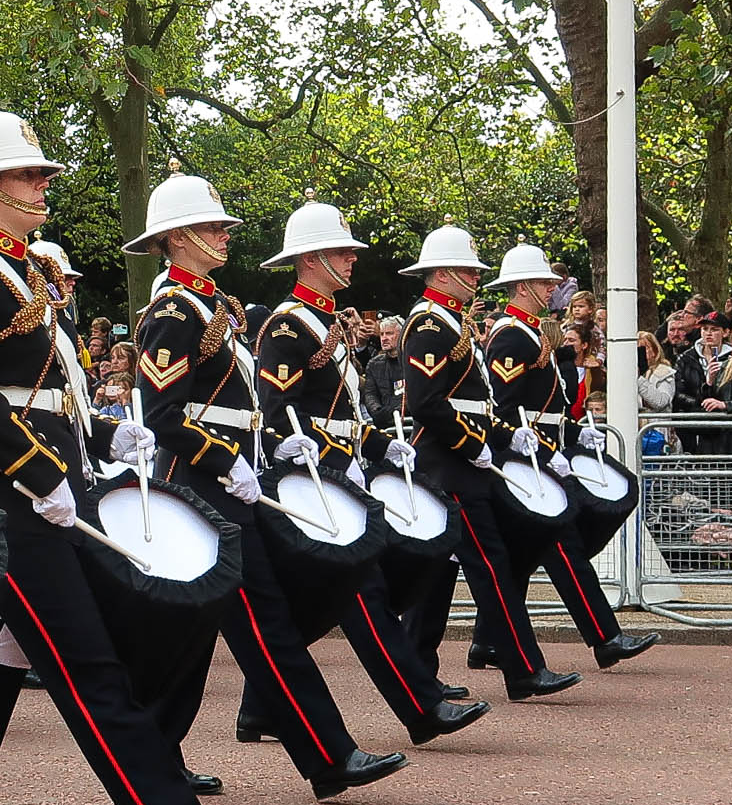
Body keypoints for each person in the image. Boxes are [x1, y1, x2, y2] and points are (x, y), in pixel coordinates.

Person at [0, 100, 268, 805]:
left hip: (42, 488)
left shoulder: (21, 271)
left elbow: (44, 390)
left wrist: (98, 429)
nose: (43, 183)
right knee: (91, 671)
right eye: (28, 173)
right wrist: (40, 473)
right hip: (4, 498)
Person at [129, 167, 407, 799]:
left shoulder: (208, 306)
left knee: (195, 636)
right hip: (202, 487)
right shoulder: (174, 311)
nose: (222, 234)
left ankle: (153, 756)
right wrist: (224, 459)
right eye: (206, 226)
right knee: (262, 624)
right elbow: (164, 415)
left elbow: (239, 399)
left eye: (221, 224)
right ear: (174, 239)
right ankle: (328, 754)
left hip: (226, 482)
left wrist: (273, 442)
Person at [239, 196, 490, 745]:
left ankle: (260, 705)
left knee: (325, 600)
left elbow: (344, 408)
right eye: (340, 251)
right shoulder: (288, 327)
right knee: (364, 592)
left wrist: (376, 443)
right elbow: (279, 409)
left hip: (345, 468)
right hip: (318, 477)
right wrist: (325, 461)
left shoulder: (322, 321)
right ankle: (420, 707)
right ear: (309, 260)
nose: (352, 259)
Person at [392, 226, 580, 702]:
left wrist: (500, 434)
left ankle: (418, 670)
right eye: (469, 270)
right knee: (491, 564)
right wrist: (472, 441)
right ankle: (522, 668)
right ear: (443, 272)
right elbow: (429, 403)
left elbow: (475, 402)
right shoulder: (430, 324)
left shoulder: (452, 322)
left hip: (465, 456)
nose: (477, 278)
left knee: (439, 572)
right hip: (451, 460)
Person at [474, 243, 659, 672]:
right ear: (522, 287)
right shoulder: (510, 335)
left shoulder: (532, 331)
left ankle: (486, 641)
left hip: (547, 449)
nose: (552, 288)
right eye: (543, 282)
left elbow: (549, 406)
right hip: (526, 460)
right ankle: (605, 636)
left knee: (521, 557)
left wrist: (577, 434)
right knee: (563, 546)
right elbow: (505, 409)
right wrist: (535, 450)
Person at [675, 310, 732, 454]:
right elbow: (678, 393)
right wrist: (700, 403)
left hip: (726, 425)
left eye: (714, 330)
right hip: (694, 424)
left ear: (725, 333)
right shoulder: (686, 358)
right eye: (705, 329)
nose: (708, 333)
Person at [364, 315, 402, 427]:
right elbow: (370, 393)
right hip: (383, 421)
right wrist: (377, 411)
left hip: (409, 417)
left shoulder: (412, 361)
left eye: (389, 333)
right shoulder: (373, 364)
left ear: (401, 335)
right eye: (381, 334)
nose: (384, 338)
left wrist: (395, 410)